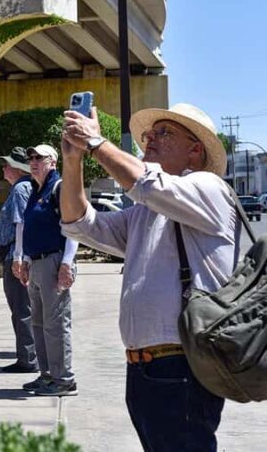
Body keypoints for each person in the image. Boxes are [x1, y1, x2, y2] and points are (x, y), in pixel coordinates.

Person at [60, 103, 234, 450]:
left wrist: (95, 142)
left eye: (164, 132)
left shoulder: (208, 186)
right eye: (148, 134)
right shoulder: (147, 208)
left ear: (195, 150)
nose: (150, 139)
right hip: (148, 367)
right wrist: (72, 161)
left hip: (183, 363)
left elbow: (145, 182)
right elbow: (80, 223)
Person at [14, 144, 79, 396]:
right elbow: (29, 228)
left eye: (39, 157)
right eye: (31, 158)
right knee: (39, 323)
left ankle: (64, 379)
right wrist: (26, 259)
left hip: (54, 261)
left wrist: (67, 263)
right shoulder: (35, 190)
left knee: (56, 323)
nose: (33, 161)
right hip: (38, 262)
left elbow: (73, 225)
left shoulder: (58, 187)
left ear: (52, 162)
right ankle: (47, 375)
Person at [0, 147, 37, 373]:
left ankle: (28, 359)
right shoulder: (23, 188)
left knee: (21, 309)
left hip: (15, 255)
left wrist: (18, 257)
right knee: (23, 309)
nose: (4, 169)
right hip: (13, 253)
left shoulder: (21, 189)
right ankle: (28, 356)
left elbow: (21, 224)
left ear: (19, 169)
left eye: (8, 165)